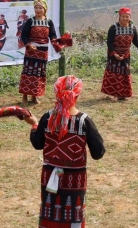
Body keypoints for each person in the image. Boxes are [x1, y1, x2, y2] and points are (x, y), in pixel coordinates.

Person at [26, 75, 105, 228]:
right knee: (72, 214)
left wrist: (35, 124)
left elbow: (37, 144)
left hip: (49, 177)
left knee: (50, 212)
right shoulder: (84, 122)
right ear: (78, 94)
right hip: (74, 181)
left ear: (56, 94)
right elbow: (98, 153)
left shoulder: (48, 118)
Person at [101, 7, 138, 101]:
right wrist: (114, 53)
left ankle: (123, 94)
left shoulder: (133, 28)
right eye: (123, 16)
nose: (125, 18)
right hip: (114, 54)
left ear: (130, 17)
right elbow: (109, 42)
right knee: (114, 73)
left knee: (125, 73)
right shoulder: (113, 28)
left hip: (126, 54)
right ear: (119, 17)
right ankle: (114, 93)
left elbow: (136, 42)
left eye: (127, 17)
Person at [19, 0, 57, 104]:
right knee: (28, 73)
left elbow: (52, 35)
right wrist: (28, 45)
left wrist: (56, 41)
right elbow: (24, 35)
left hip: (43, 52)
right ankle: (25, 96)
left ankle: (35, 96)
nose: (38, 10)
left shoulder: (49, 22)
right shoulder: (30, 21)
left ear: (45, 9)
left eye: (40, 8)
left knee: (39, 73)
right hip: (31, 52)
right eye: (36, 7)